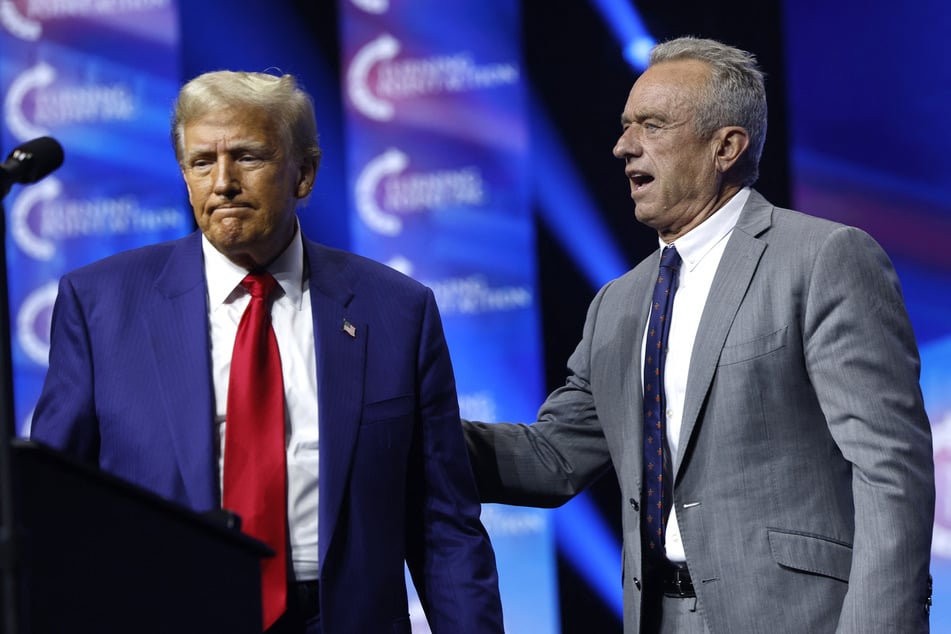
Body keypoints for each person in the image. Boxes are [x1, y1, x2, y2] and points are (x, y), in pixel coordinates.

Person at [464, 36, 934, 633]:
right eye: (625, 125)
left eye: (652, 125)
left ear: (726, 147)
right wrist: (405, 432)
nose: (623, 146)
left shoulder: (823, 259)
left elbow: (891, 471)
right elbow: (553, 459)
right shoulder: (616, 304)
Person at [30, 70, 504, 634]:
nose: (223, 182)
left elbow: (443, 522)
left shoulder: (397, 309)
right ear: (185, 177)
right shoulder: (100, 304)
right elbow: (53, 512)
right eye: (202, 162)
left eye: (249, 157)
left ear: (304, 173)